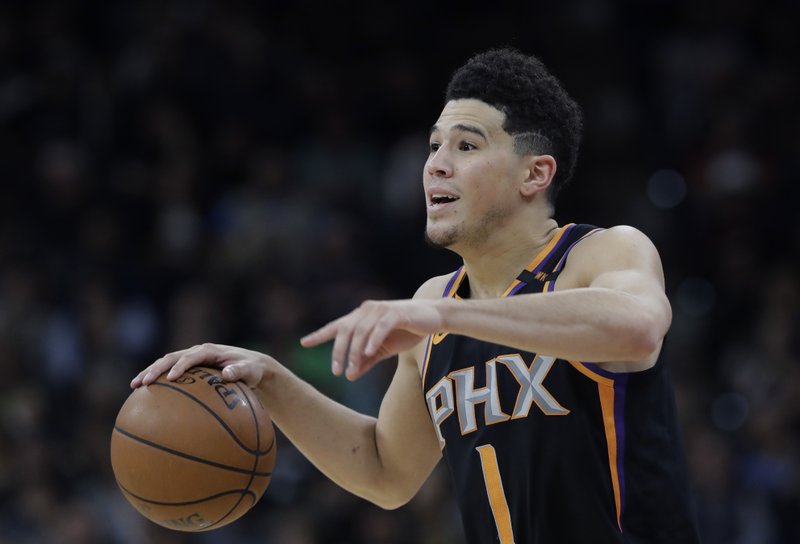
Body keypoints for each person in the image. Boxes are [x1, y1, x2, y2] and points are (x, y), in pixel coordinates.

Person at [132, 48, 701, 543]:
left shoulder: (600, 254)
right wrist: (270, 379)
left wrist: (446, 315)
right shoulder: (438, 300)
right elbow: (386, 472)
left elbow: (639, 327)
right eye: (434, 146)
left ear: (535, 175)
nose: (436, 164)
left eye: (466, 146)